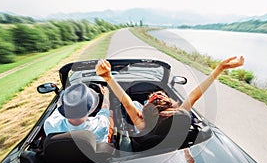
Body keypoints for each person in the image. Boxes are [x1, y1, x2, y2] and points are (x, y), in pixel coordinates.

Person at [96, 56, 244, 135]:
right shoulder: (179, 121)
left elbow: (127, 103)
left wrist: (108, 77)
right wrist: (219, 69)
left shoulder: (142, 126)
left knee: (134, 103)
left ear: (144, 113)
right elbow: (193, 96)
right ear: (171, 107)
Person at [44, 82, 112, 143]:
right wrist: (106, 94)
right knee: (110, 113)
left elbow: (58, 108)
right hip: (95, 155)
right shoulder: (101, 124)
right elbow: (105, 109)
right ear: (91, 107)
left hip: (66, 155)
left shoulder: (50, 124)